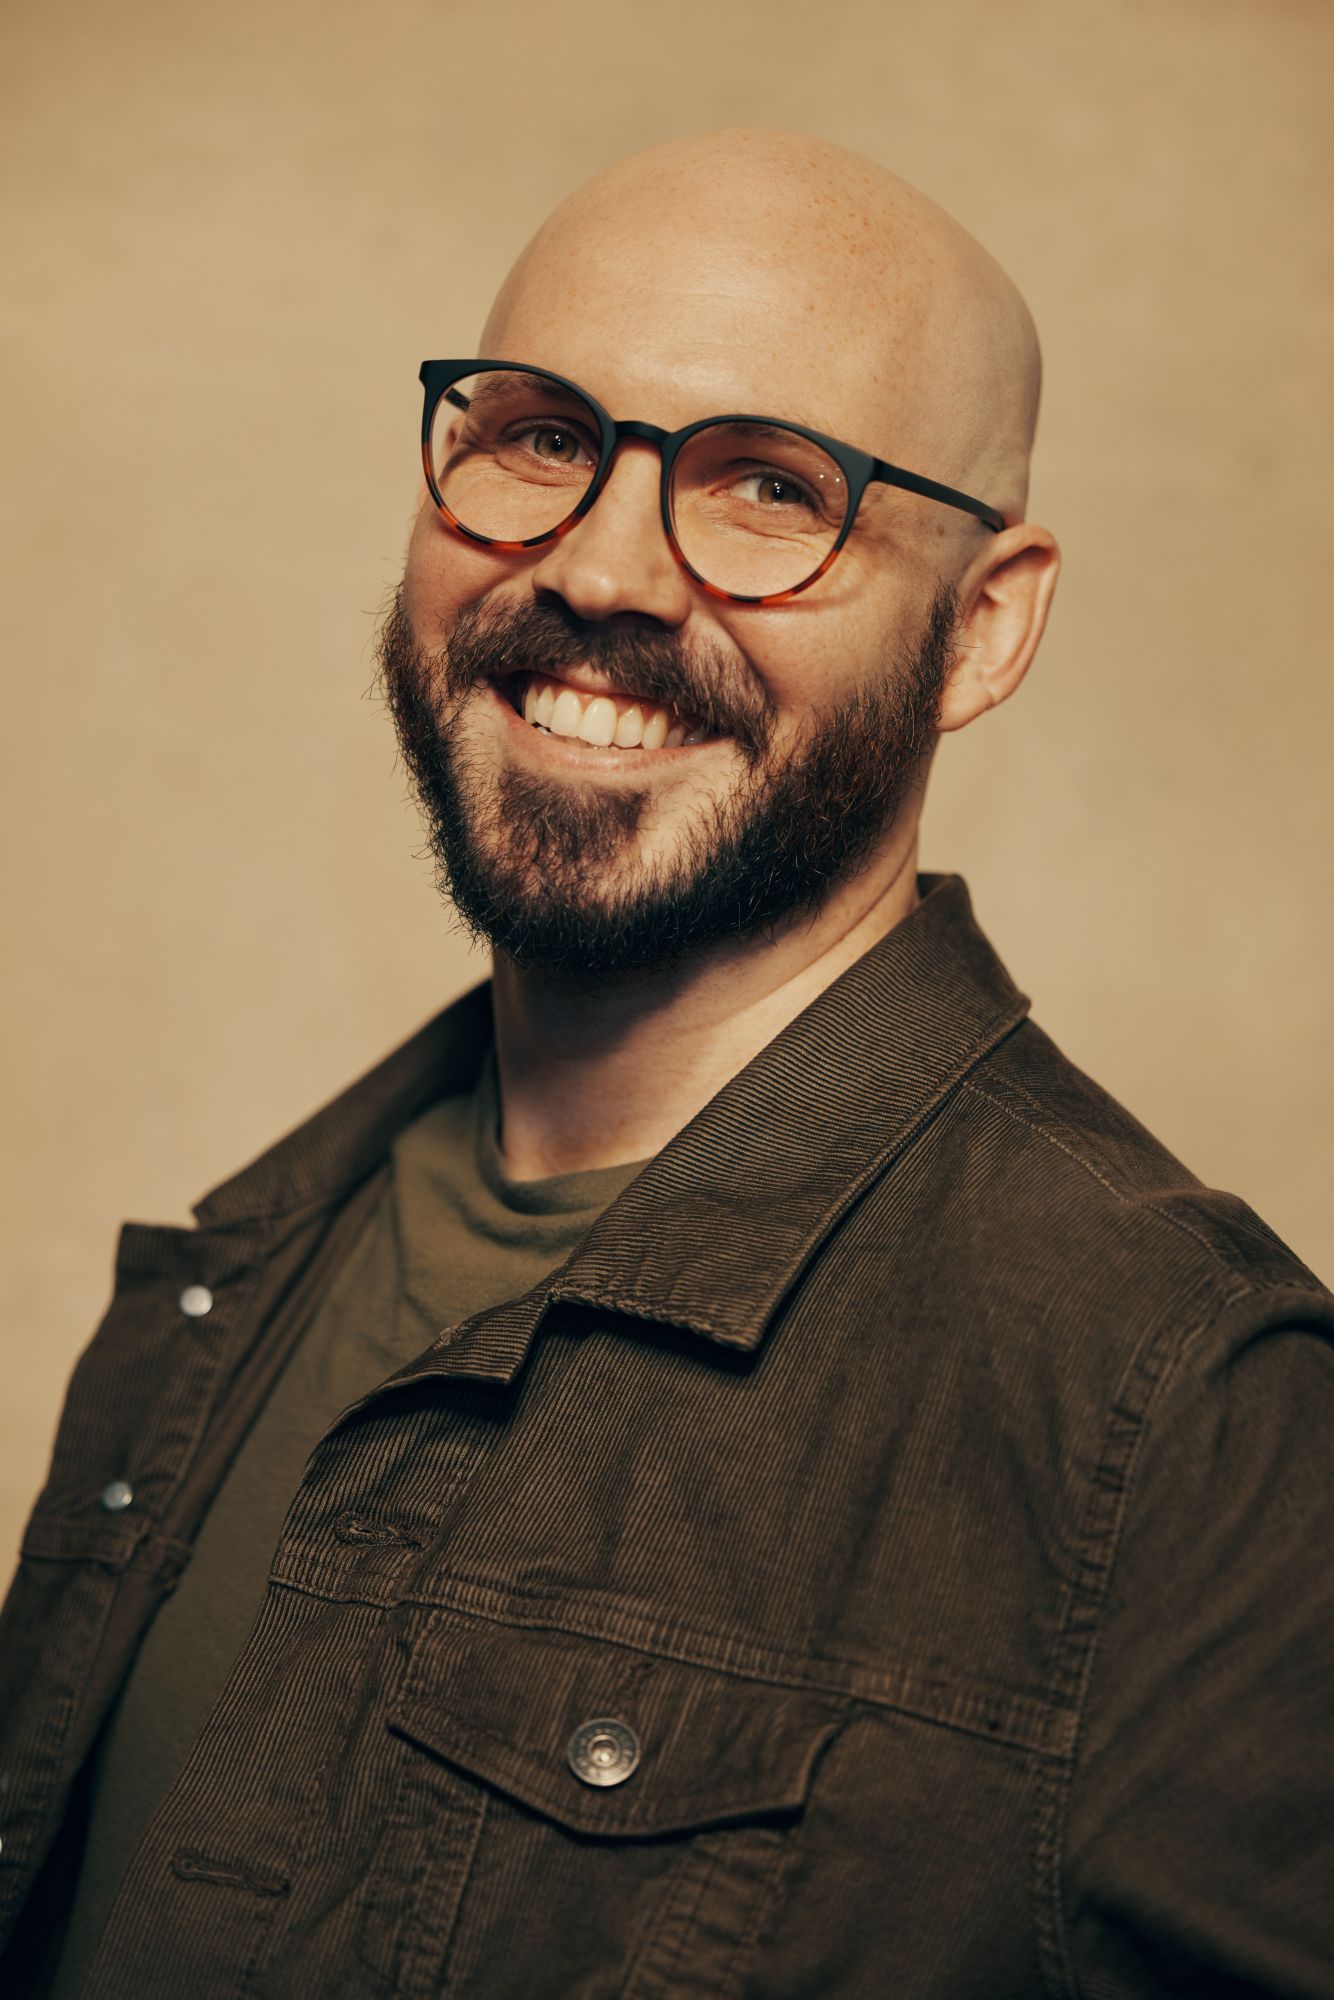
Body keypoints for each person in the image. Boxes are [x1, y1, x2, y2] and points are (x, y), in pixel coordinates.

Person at [2, 127, 1330, 2000]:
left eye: (772, 485)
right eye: (543, 435)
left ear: (982, 625)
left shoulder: (1191, 1425)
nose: (605, 567)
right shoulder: (229, 1276)